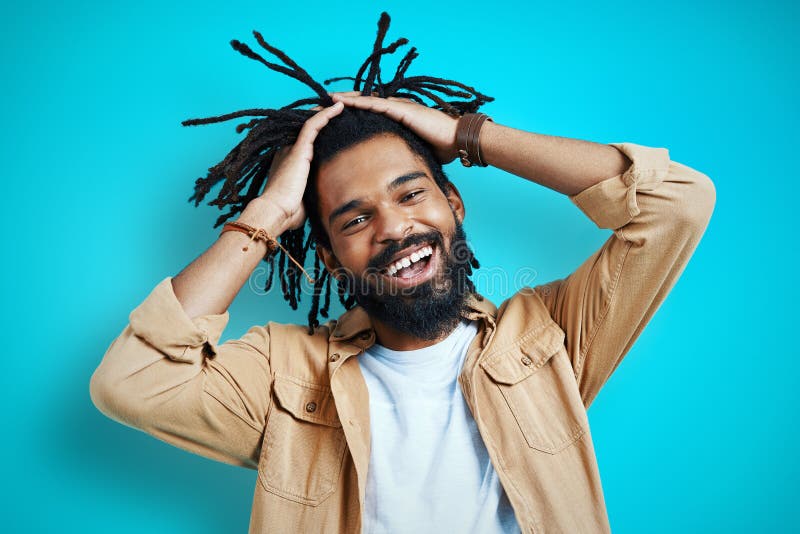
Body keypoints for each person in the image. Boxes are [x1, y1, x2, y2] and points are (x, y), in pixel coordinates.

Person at [89, 12, 715, 534]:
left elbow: (677, 203)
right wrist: (272, 212)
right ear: (331, 258)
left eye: (412, 194)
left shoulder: (551, 338)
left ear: (454, 204)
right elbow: (132, 382)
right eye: (355, 220)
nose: (393, 228)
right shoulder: (282, 373)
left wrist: (469, 135)